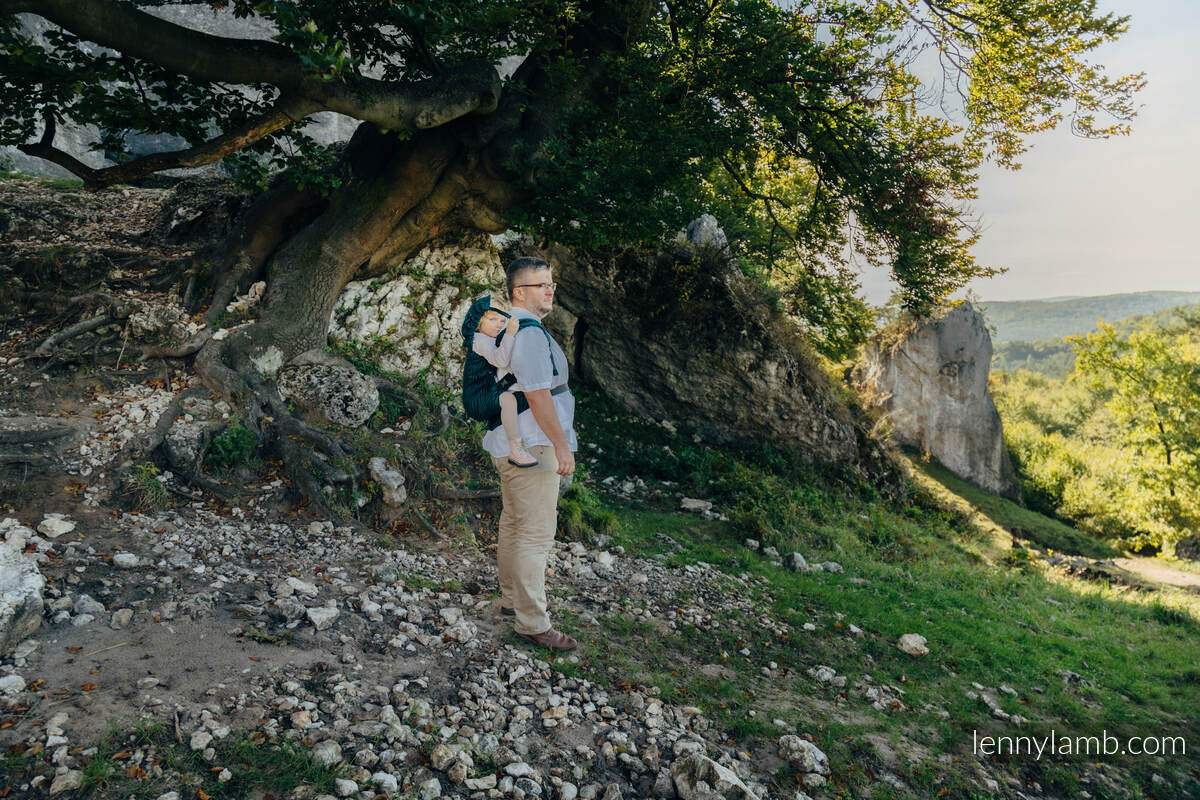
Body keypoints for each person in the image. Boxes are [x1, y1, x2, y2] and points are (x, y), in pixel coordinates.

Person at [486, 256, 578, 650]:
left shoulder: (513, 329)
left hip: (510, 442)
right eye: (542, 284)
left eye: (551, 283)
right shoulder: (528, 333)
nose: (550, 290)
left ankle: (511, 603)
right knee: (535, 536)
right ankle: (533, 622)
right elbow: (540, 398)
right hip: (532, 445)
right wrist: (561, 446)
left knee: (514, 525)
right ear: (519, 291)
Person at [473, 307, 539, 468]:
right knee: (509, 401)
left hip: (497, 384)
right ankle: (515, 448)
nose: (498, 325)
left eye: (502, 321)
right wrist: (509, 334)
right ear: (479, 322)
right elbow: (500, 360)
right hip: (482, 390)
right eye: (492, 320)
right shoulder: (479, 339)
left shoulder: (491, 338)